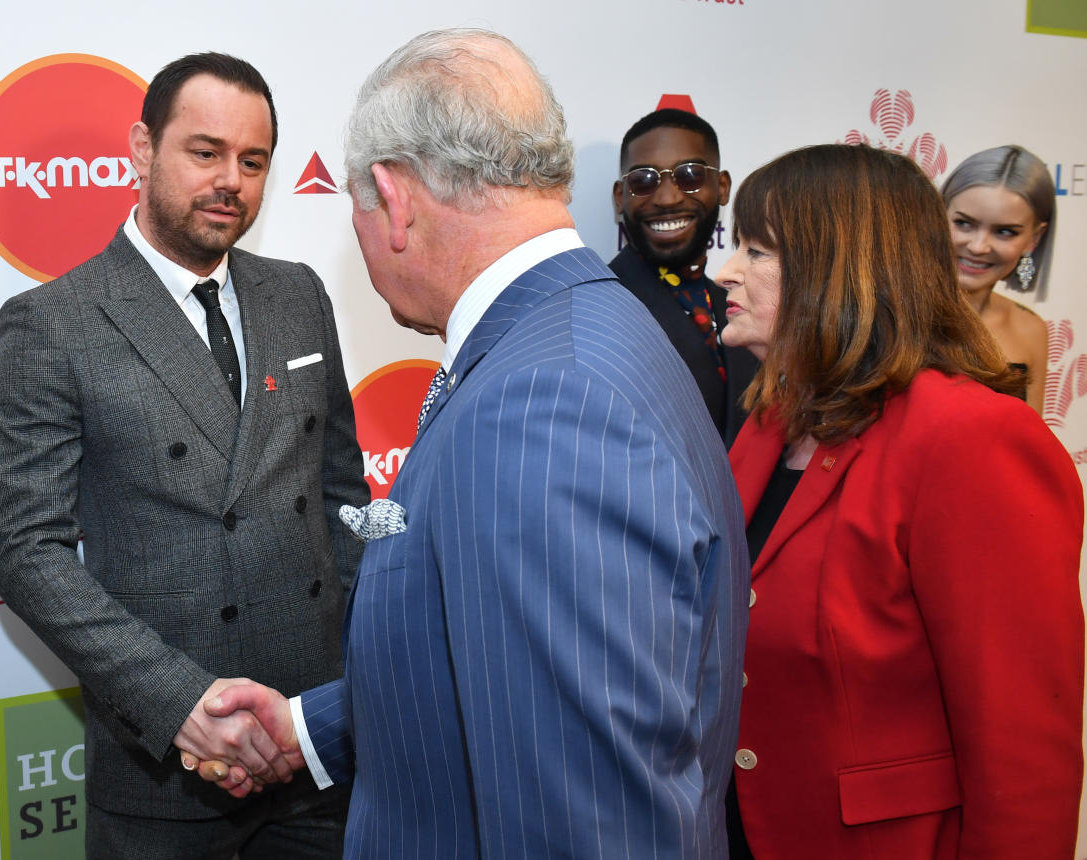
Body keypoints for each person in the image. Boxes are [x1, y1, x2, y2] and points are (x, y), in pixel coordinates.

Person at [189, 28, 750, 858]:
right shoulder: (584, 328)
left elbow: (588, 821)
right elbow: (494, 659)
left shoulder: (545, 400)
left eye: (356, 202)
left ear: (396, 197)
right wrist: (310, 728)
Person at [0, 52, 368, 858]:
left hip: (313, 749)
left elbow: (342, 495)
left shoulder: (299, 295)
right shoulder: (54, 322)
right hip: (162, 769)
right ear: (140, 149)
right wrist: (181, 703)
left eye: (253, 161)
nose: (231, 179)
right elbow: (27, 549)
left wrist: (345, 698)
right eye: (205, 152)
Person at [717, 143, 1083, 858]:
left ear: (842, 270)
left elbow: (1021, 743)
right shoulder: (771, 417)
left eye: (758, 251)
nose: (726, 270)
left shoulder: (972, 439)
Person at [610, 109, 758, 443]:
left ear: (721, 187)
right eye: (643, 181)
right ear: (621, 197)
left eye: (689, 175)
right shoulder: (598, 310)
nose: (667, 198)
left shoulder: (741, 306)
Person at [941, 145, 1056, 413]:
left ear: (1035, 238)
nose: (979, 246)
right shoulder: (890, 317)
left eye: (1005, 231)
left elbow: (1032, 445)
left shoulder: (1030, 329)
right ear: (937, 215)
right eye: (964, 223)